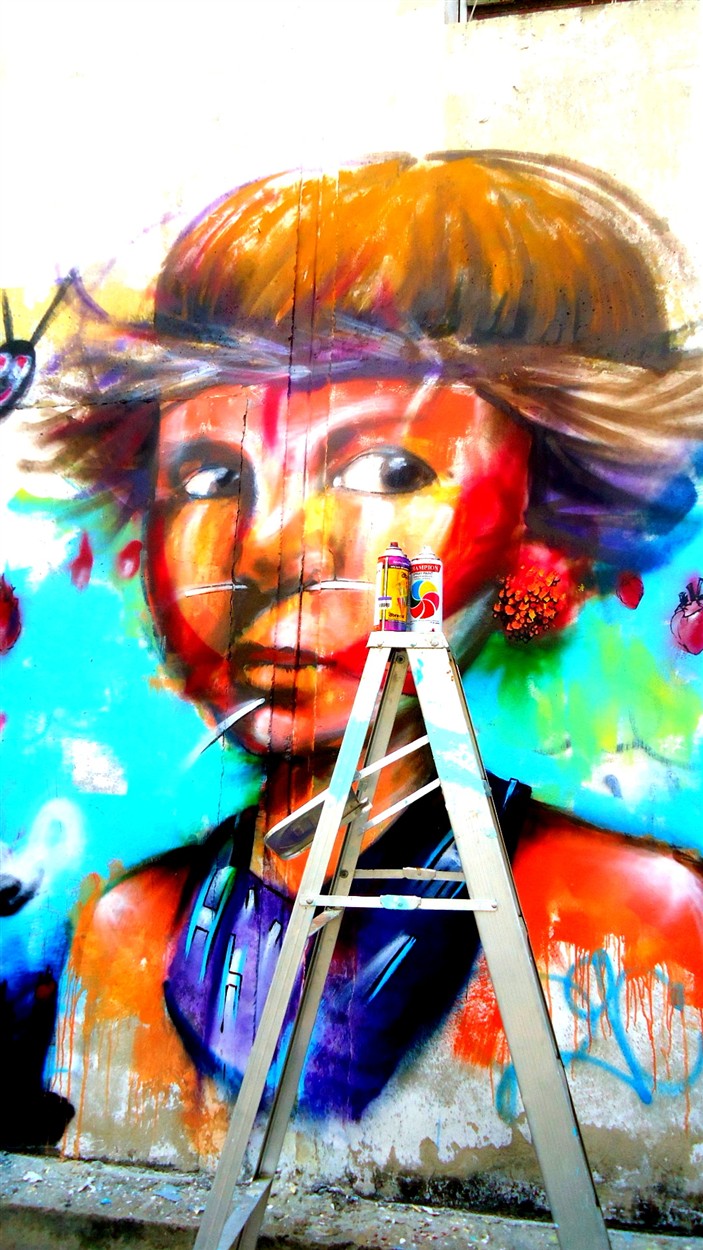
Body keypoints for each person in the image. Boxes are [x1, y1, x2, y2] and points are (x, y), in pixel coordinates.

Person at [41, 152, 703, 1152]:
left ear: (541, 523)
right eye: (210, 476)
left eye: (386, 470)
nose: (270, 546)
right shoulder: (130, 934)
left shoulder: (629, 926)